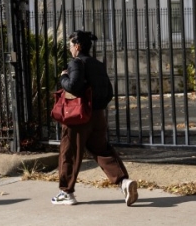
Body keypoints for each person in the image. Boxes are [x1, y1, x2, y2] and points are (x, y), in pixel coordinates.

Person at [52, 30, 137, 206]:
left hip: (78, 117)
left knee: (69, 153)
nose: (69, 49)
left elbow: (74, 87)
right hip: (97, 115)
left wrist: (63, 78)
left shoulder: (76, 63)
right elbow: (109, 91)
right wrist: (97, 106)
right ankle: (124, 182)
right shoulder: (98, 65)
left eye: (70, 45)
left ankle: (66, 193)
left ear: (77, 46)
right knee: (102, 150)